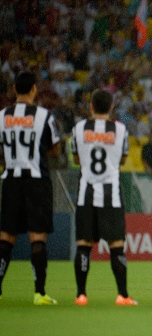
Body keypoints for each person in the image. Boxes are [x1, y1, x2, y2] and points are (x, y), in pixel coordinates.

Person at [71, 89, 137, 306]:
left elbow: (76, 158)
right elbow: (123, 158)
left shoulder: (79, 128)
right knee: (116, 244)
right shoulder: (120, 129)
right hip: (111, 194)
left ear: (90, 107)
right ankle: (123, 295)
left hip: (85, 193)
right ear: (111, 108)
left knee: (83, 244)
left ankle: (81, 295)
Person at [0, 71, 61, 305]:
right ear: (34, 89)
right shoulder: (45, 116)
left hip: (11, 179)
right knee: (38, 237)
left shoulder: (2, 116)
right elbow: (55, 150)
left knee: (6, 236)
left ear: (14, 89)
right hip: (37, 180)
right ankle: (39, 292)